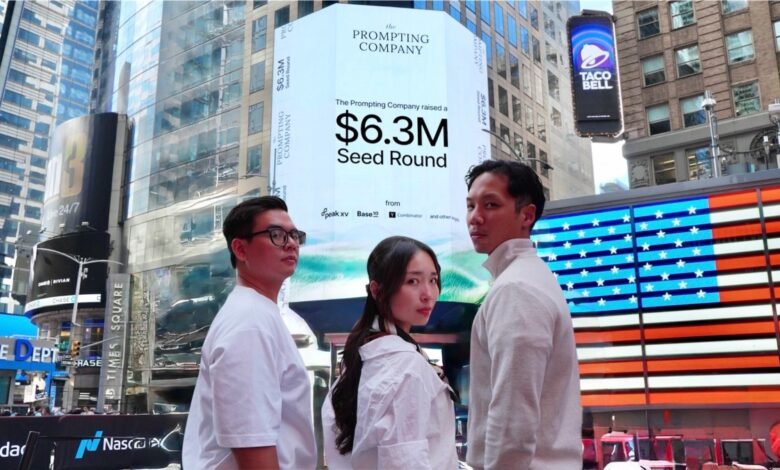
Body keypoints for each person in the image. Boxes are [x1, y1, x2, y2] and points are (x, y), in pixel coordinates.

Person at [183, 196, 316, 470]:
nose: (291, 243)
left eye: (295, 235)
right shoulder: (249, 322)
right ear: (241, 249)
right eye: (276, 235)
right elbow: (252, 445)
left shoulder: (258, 313)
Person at [464, 160, 582, 469]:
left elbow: (512, 420)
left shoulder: (516, 288)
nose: (475, 217)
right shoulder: (526, 277)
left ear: (526, 215)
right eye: (471, 205)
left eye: (491, 205)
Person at [321, 236, 458, 469]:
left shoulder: (364, 354)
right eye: (412, 281)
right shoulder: (405, 365)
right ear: (377, 290)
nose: (428, 293)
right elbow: (404, 463)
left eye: (433, 280)